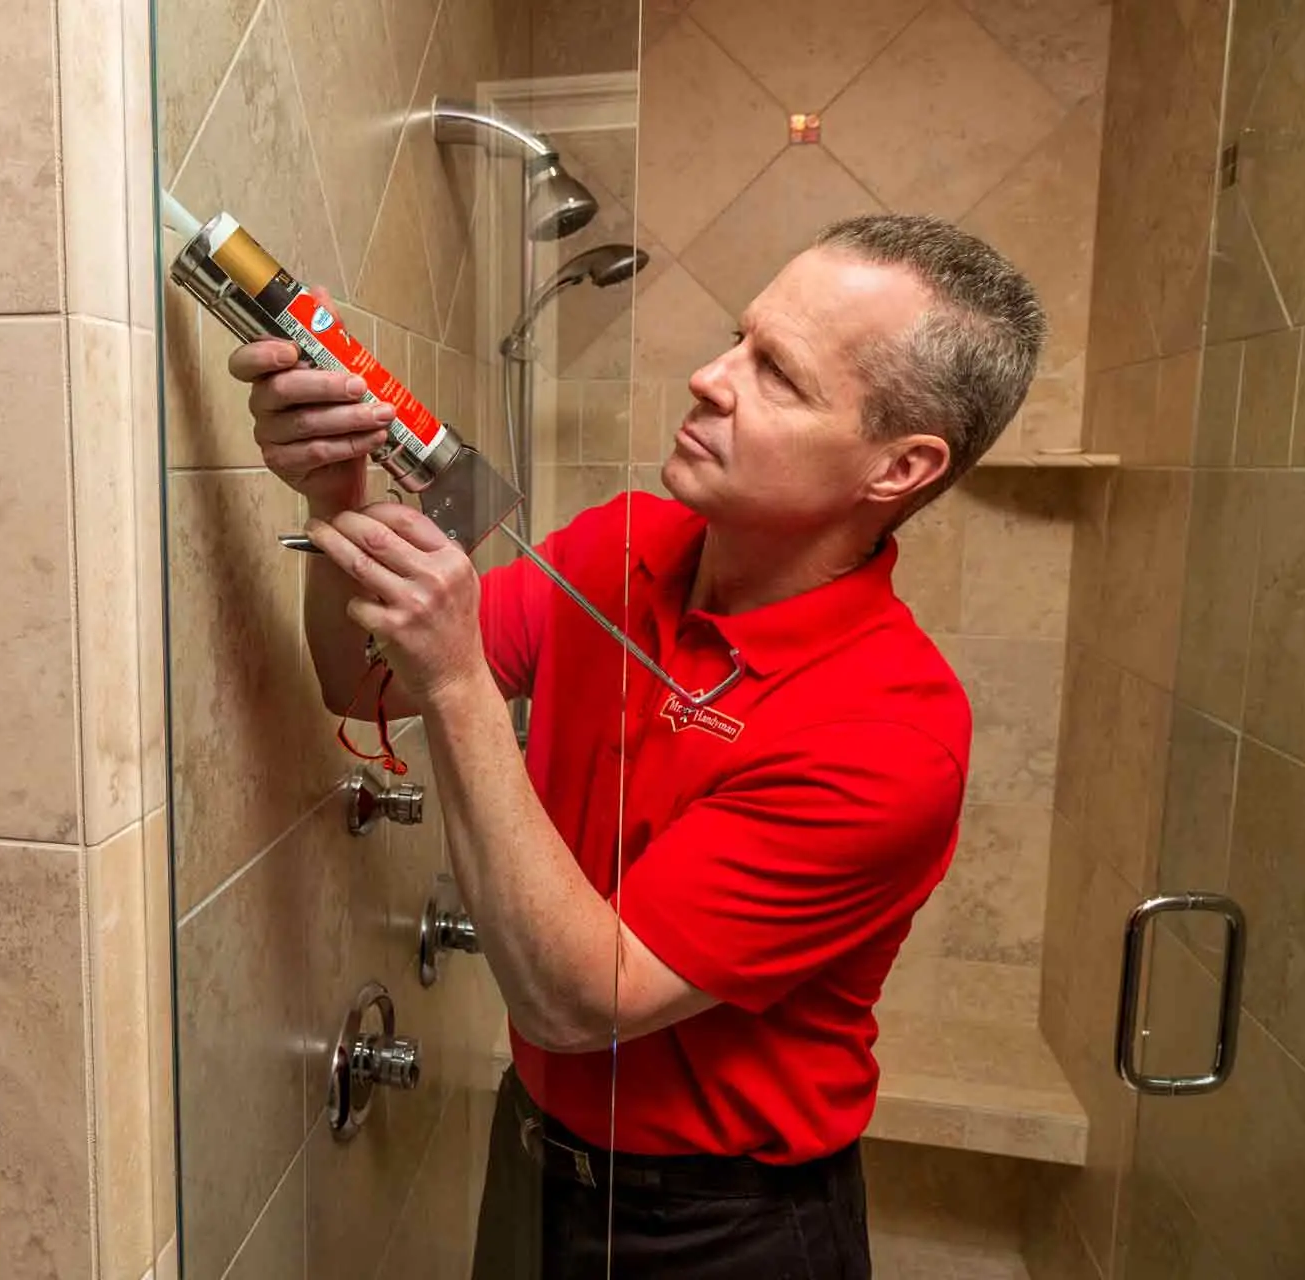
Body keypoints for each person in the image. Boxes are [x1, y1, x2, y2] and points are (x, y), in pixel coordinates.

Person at [229, 213, 1046, 1278]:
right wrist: (336, 494)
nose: (710, 377)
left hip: (722, 1223)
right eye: (739, 339)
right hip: (536, 1151)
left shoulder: (889, 733)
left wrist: (463, 679)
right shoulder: (627, 544)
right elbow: (364, 683)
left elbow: (578, 1002)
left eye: (778, 376)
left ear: (899, 466)